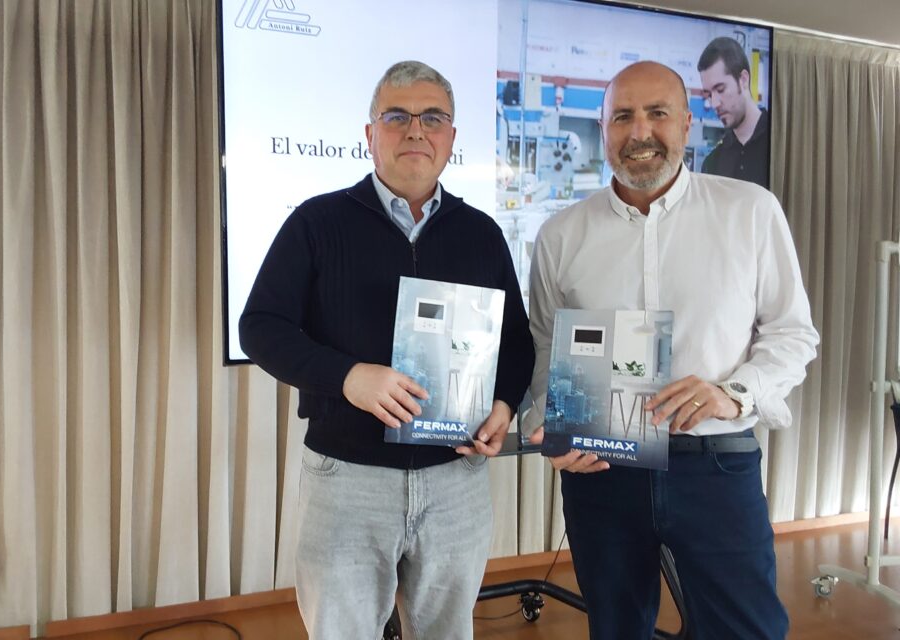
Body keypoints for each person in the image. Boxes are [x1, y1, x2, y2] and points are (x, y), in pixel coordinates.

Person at [239, 60, 534, 639]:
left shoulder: (482, 234)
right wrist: (348, 376)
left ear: (452, 137)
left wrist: (503, 405)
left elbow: (517, 342)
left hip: (456, 478)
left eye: (433, 118)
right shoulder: (316, 222)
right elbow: (261, 327)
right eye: (397, 116)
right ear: (369, 134)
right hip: (348, 478)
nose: (416, 130)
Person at [526, 61, 818, 639]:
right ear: (604, 129)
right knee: (616, 628)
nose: (640, 132)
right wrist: (552, 429)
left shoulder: (750, 211)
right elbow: (544, 349)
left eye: (657, 113)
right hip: (601, 471)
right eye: (622, 117)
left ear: (687, 123)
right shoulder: (560, 235)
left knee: (747, 629)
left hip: (715, 462)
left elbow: (793, 333)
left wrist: (734, 393)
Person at [697, 36, 770, 187]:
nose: (714, 103)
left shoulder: (780, 142)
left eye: (720, 89)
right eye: (709, 95)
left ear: (743, 80)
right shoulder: (713, 163)